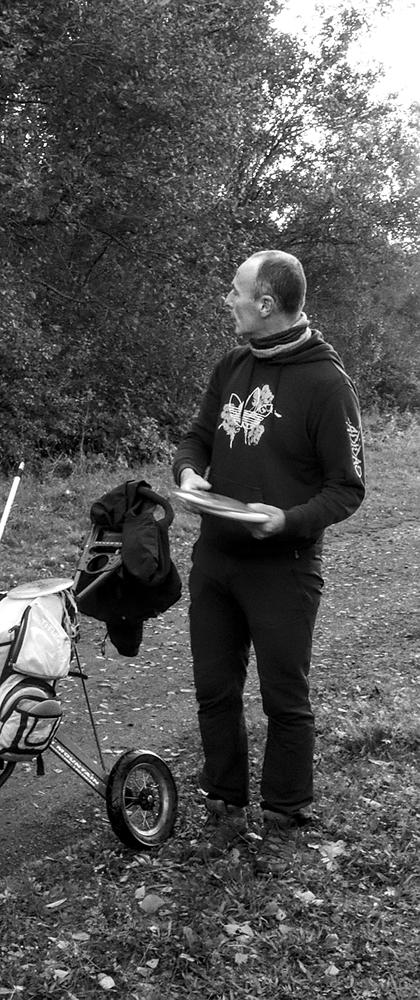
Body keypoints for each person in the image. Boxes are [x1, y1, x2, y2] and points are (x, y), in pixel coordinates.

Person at [172, 250, 365, 875]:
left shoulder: (327, 384)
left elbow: (347, 488)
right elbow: (197, 436)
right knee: (214, 689)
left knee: (284, 696)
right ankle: (223, 798)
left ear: (266, 303)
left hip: (284, 567)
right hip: (216, 559)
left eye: (236, 290)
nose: (227, 299)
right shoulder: (232, 364)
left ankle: (285, 809)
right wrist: (189, 472)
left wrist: (286, 520)